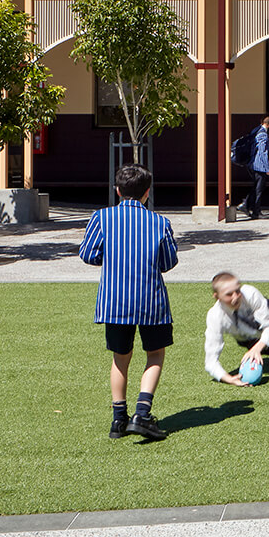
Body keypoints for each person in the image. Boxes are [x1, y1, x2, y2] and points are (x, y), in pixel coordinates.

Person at [78, 164, 179, 442]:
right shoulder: (160, 223)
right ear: (147, 193)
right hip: (151, 300)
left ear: (117, 190)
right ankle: (142, 414)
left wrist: (111, 261)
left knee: (120, 358)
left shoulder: (101, 218)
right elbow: (168, 262)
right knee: (155, 354)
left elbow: (87, 253)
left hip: (114, 301)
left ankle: (118, 419)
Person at [238, 114, 269, 219]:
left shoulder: (255, 130)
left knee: (256, 187)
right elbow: (263, 152)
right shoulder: (263, 134)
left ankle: (247, 205)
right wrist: (268, 168)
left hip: (252, 164)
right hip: (259, 165)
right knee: (259, 188)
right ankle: (255, 211)